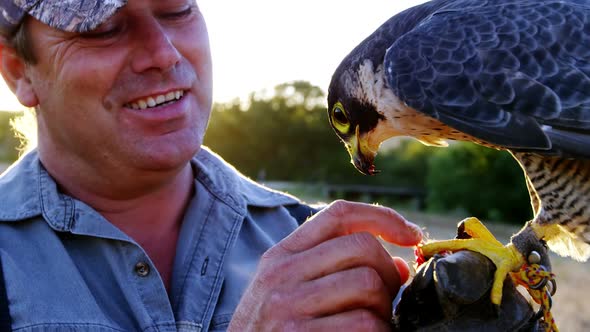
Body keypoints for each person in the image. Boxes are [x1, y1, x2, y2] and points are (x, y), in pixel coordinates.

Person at [0, 0, 423, 331]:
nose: (163, 54)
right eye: (102, 28)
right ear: (18, 70)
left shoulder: (316, 247)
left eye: (178, 9)